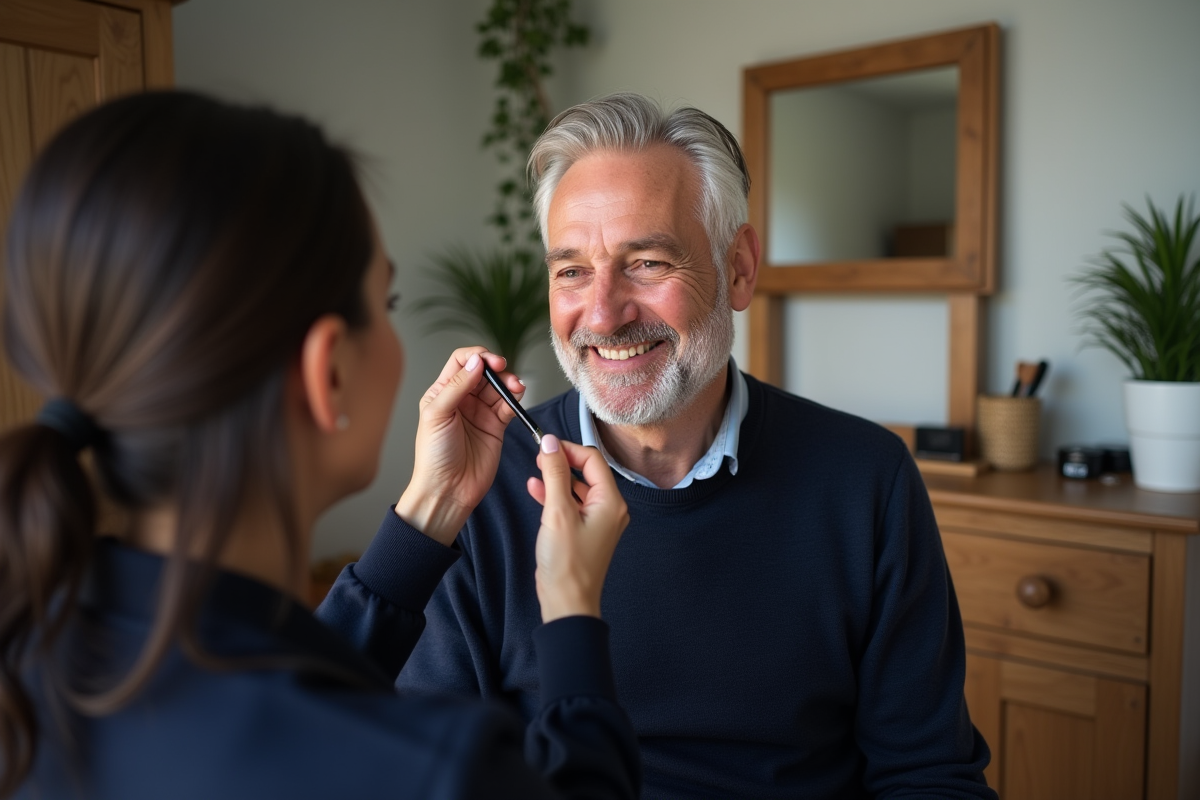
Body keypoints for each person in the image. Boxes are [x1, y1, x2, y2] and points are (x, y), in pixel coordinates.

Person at [0, 90, 639, 800]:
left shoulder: (32, 656)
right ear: (328, 370)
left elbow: (284, 689)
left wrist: (433, 509)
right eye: (386, 304)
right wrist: (574, 607)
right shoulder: (438, 774)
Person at [386, 93, 999, 798]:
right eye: (572, 270)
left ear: (738, 268)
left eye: (646, 262)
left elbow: (929, 776)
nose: (604, 312)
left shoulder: (867, 480)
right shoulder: (483, 486)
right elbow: (431, 771)